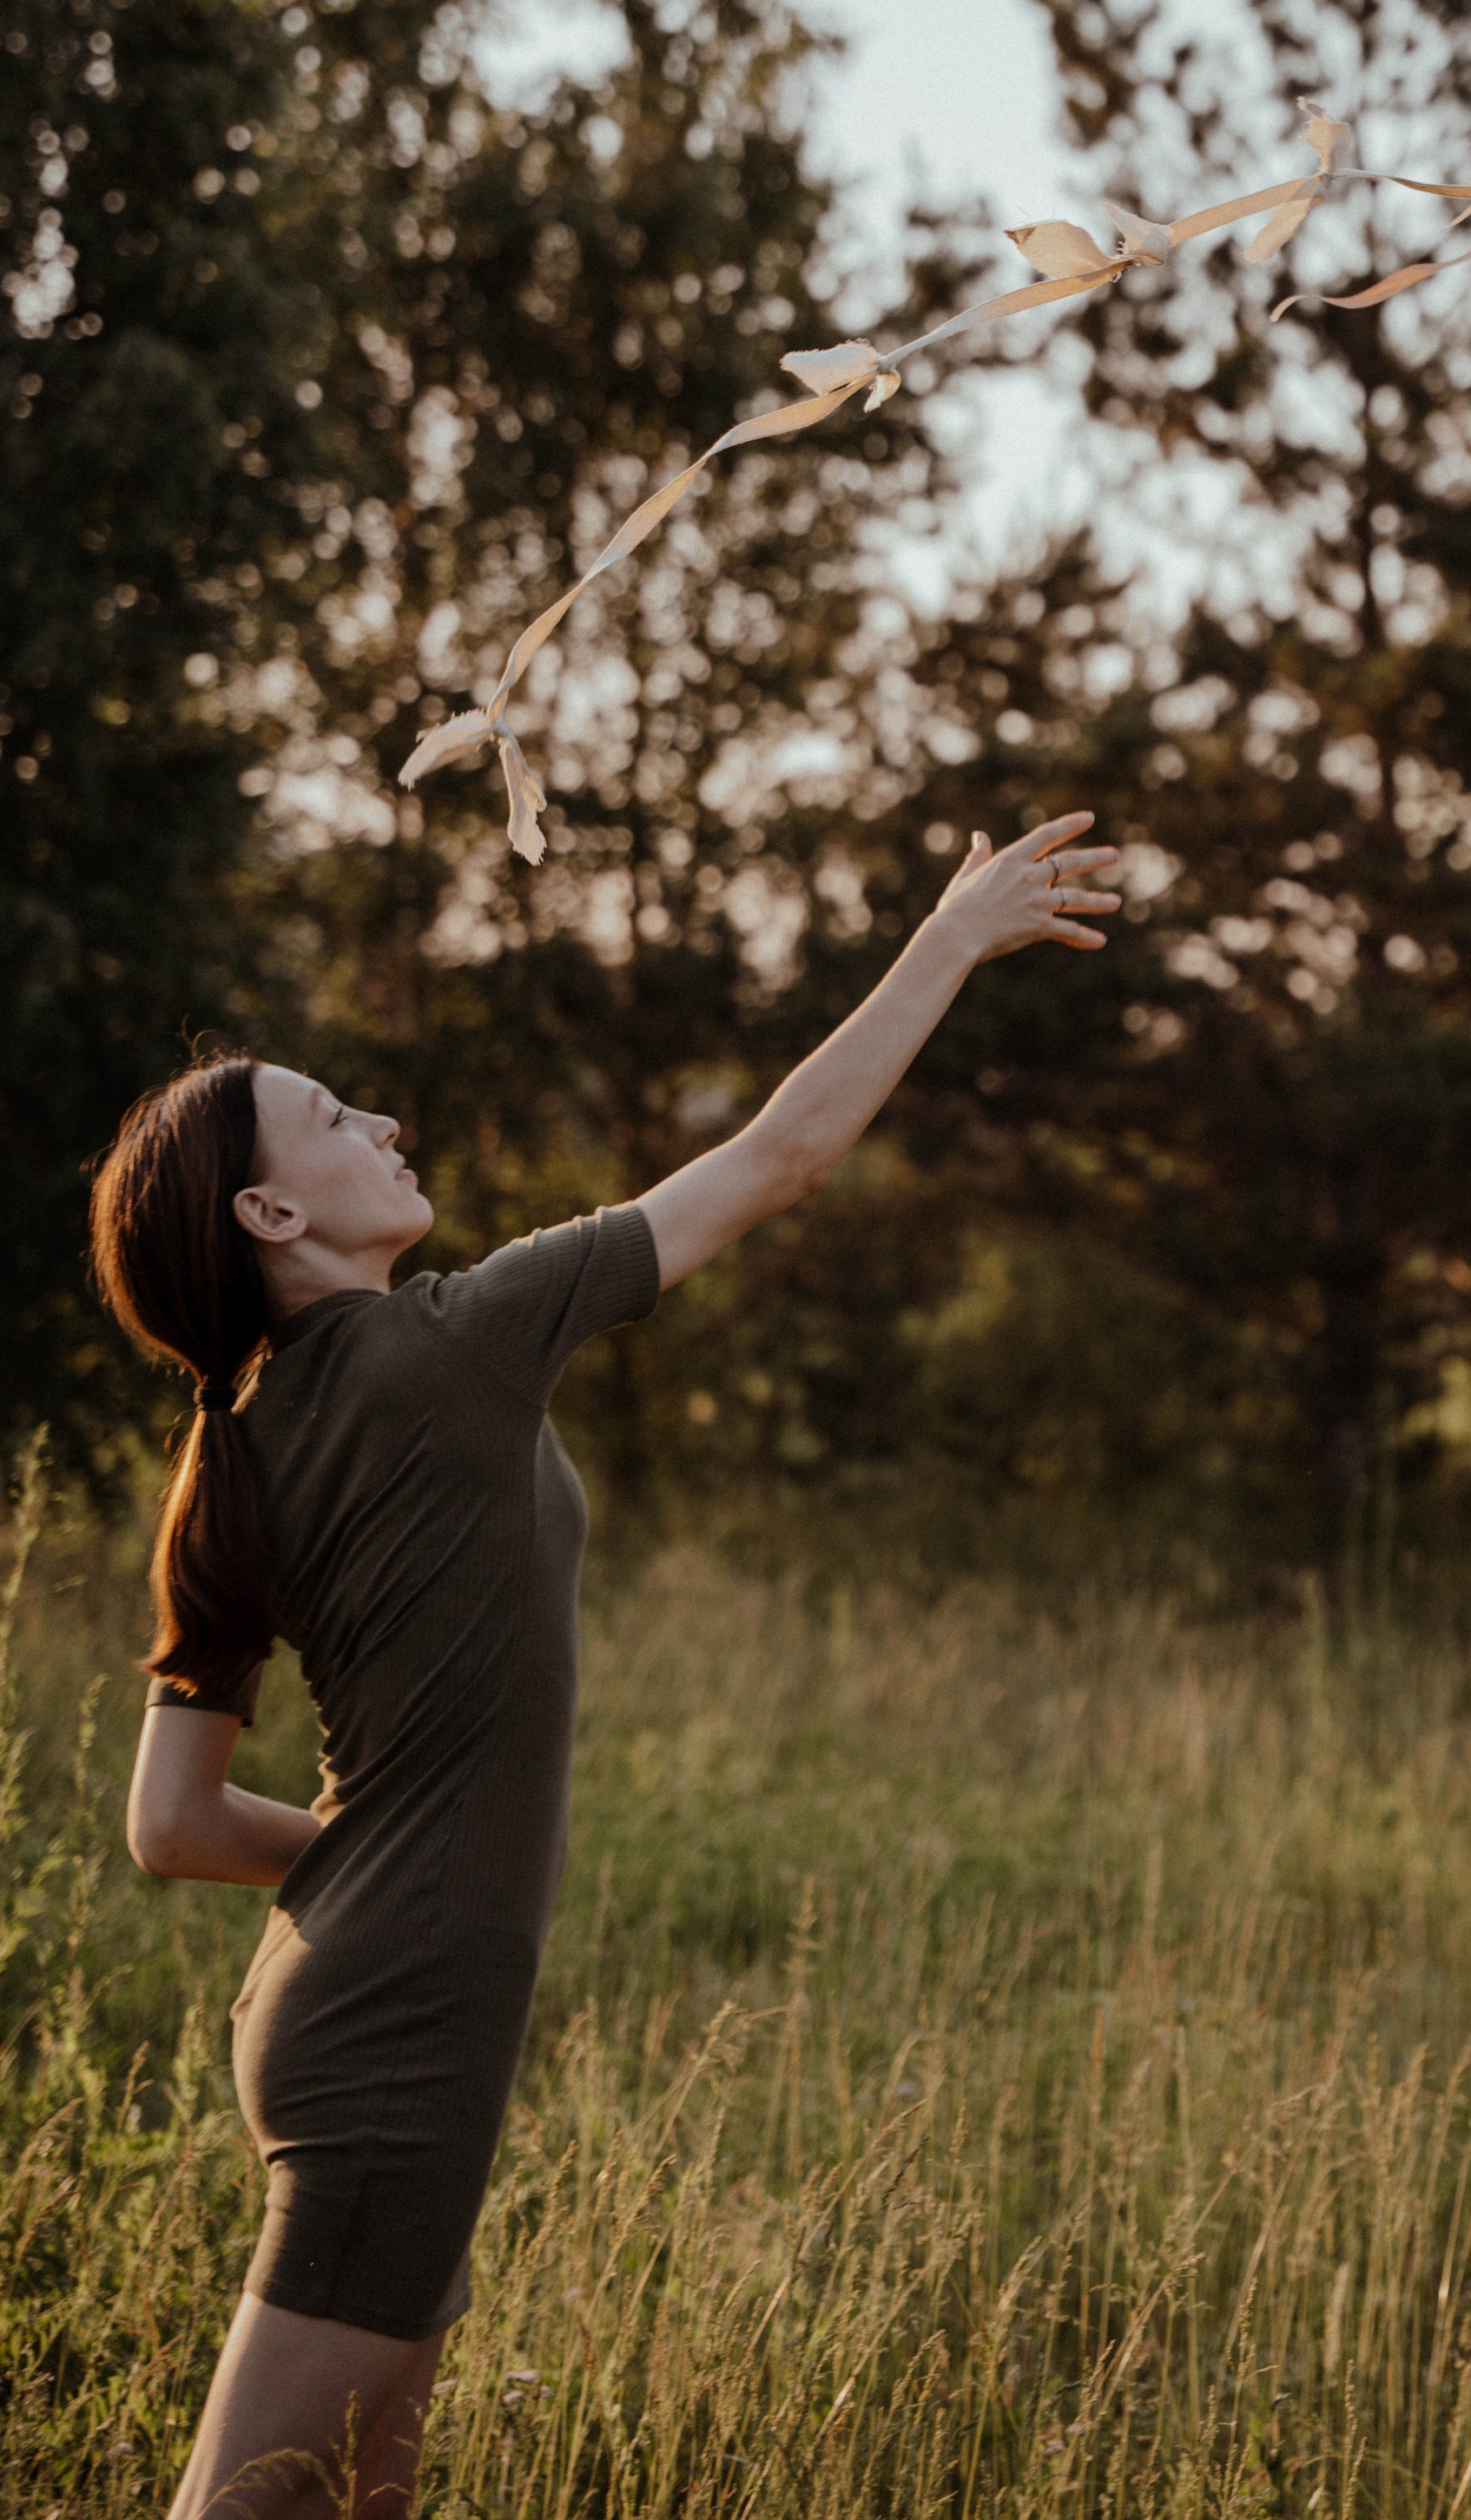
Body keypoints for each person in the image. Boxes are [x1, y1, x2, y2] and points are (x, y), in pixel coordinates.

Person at [91, 813, 1120, 2520]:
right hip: (401, 2029)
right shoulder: (457, 1342)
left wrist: (377, 1855)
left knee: (366, 2490)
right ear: (271, 1206)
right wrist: (948, 935)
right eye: (337, 1118)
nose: (384, 1120)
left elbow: (170, 1823)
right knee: (258, 2506)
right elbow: (782, 1157)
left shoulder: (233, 1453)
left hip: (360, 2001)